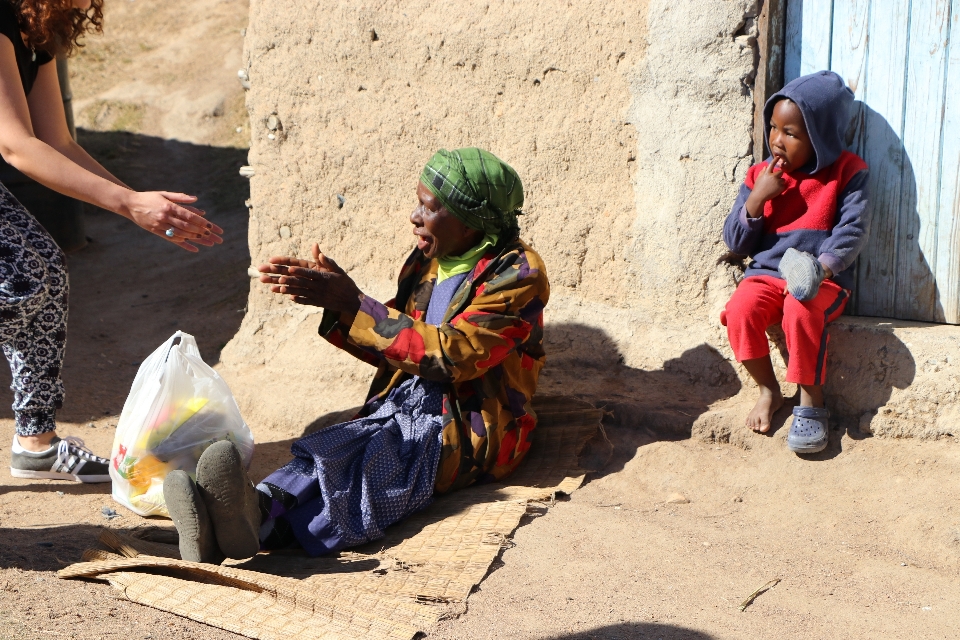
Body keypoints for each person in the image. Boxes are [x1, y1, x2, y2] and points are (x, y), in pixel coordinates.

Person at [164, 147, 549, 563]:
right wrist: (341, 304)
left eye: (429, 207)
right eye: (418, 202)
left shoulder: (517, 274)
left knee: (385, 455)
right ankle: (244, 512)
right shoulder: (429, 261)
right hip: (407, 399)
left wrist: (356, 303)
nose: (415, 217)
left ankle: (251, 524)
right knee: (331, 444)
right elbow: (396, 346)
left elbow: (453, 357)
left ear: (472, 221)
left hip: (471, 421)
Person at [1, 0, 224, 482]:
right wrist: (128, 204)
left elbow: (56, 141)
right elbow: (16, 144)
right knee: (16, 283)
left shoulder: (37, 26)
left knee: (40, 270)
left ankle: (35, 443)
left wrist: (134, 201)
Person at [720, 70, 869, 453]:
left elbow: (851, 230)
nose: (776, 140)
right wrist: (758, 198)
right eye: (773, 128)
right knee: (740, 310)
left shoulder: (847, 172)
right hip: (767, 275)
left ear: (819, 137)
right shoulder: (760, 174)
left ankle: (810, 400)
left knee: (800, 309)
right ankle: (769, 390)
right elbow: (736, 243)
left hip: (822, 280)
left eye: (791, 133)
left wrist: (822, 268)